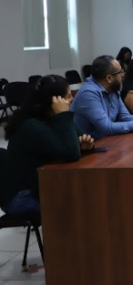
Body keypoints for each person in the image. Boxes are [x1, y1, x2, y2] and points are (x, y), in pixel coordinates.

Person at [0, 75, 94, 215]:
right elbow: (71, 154)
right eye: (68, 96)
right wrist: (64, 115)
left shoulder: (49, 117)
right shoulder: (30, 125)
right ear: (55, 101)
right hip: (22, 197)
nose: (72, 99)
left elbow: (80, 135)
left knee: (90, 193)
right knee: (83, 203)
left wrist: (86, 143)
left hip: (40, 186)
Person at [72, 56, 133, 140]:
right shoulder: (88, 94)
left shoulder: (113, 89)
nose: (123, 75)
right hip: (91, 145)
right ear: (109, 78)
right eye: (120, 72)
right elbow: (107, 128)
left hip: (109, 140)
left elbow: (124, 116)